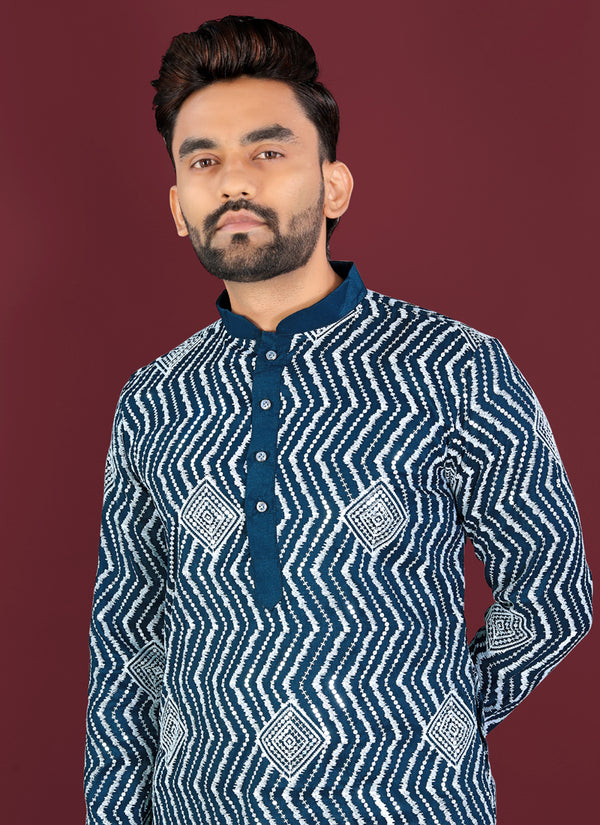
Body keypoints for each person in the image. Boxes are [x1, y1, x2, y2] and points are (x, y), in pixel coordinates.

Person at [84, 15, 592, 825]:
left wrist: (438, 723)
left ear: (334, 186)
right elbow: (126, 642)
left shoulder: (454, 366)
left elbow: (553, 589)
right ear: (179, 206)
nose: (234, 180)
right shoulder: (154, 398)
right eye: (203, 160)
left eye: (268, 152)